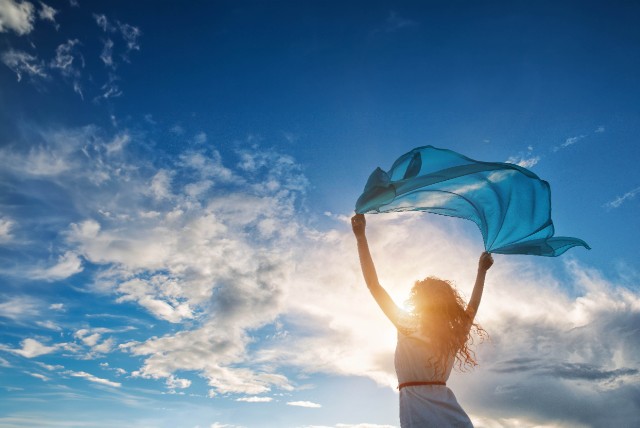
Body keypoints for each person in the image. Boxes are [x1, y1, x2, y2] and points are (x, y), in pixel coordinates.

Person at [351, 213, 494, 427]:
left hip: (418, 416)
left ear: (418, 301)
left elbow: (374, 285)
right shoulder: (450, 336)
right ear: (449, 306)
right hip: (453, 417)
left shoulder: (408, 324)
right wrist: (481, 271)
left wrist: (361, 237)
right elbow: (471, 309)